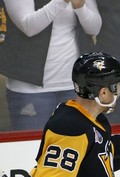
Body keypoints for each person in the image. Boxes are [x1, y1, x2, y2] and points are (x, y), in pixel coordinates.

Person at [0, 0, 101, 131]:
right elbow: (27, 26)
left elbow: (94, 28)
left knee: (74, 146)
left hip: (73, 85)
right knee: (32, 147)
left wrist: (80, 8)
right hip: (31, 89)